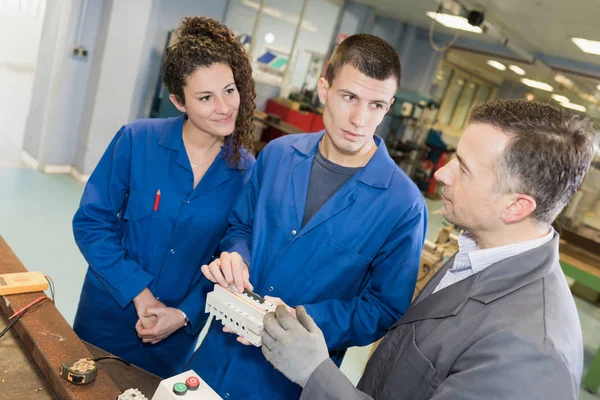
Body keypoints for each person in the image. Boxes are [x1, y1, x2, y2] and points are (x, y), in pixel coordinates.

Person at [261, 99, 596, 400]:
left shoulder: (529, 354)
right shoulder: (477, 253)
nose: (441, 173)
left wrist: (315, 373)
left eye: (463, 169)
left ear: (516, 207)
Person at [186, 34, 427, 399]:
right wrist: (236, 255)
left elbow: (383, 308)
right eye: (350, 97)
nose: (360, 119)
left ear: (389, 106)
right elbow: (242, 227)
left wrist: (300, 319)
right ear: (324, 88)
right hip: (218, 353)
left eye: (376, 105)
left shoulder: (403, 204)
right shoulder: (279, 155)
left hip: (286, 380)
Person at [71, 16, 256, 378]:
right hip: (107, 313)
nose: (224, 107)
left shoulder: (247, 173)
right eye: (205, 97)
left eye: (229, 90)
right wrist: (141, 294)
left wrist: (185, 314)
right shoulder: (137, 140)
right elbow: (92, 223)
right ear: (178, 101)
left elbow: (231, 253)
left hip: (173, 334)